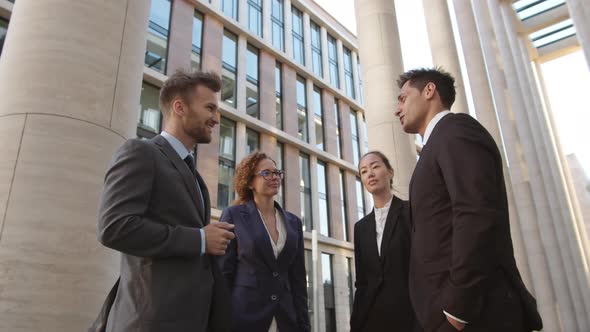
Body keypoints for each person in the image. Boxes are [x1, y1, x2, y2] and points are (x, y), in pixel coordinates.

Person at [395, 68, 543, 332]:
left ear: (429, 91)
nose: (397, 109)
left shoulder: (456, 131)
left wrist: (456, 311)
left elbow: (477, 214)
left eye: (403, 98)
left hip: (475, 314)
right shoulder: (436, 145)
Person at [90, 70, 235, 332]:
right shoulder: (141, 152)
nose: (216, 118)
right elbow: (114, 227)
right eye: (210, 108)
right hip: (149, 321)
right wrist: (200, 239)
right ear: (180, 107)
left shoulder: (194, 173)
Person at [217, 151, 310, 332]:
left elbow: (298, 280)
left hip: (286, 319)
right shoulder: (233, 215)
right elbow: (223, 273)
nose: (274, 177)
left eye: (277, 173)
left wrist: (304, 325)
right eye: (266, 173)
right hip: (244, 317)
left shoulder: (294, 223)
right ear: (250, 182)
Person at [350, 151, 420, 332]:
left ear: (390, 172)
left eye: (375, 167)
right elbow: (362, 283)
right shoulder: (360, 227)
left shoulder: (411, 211)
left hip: (411, 318)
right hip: (372, 320)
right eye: (364, 171)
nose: (370, 174)